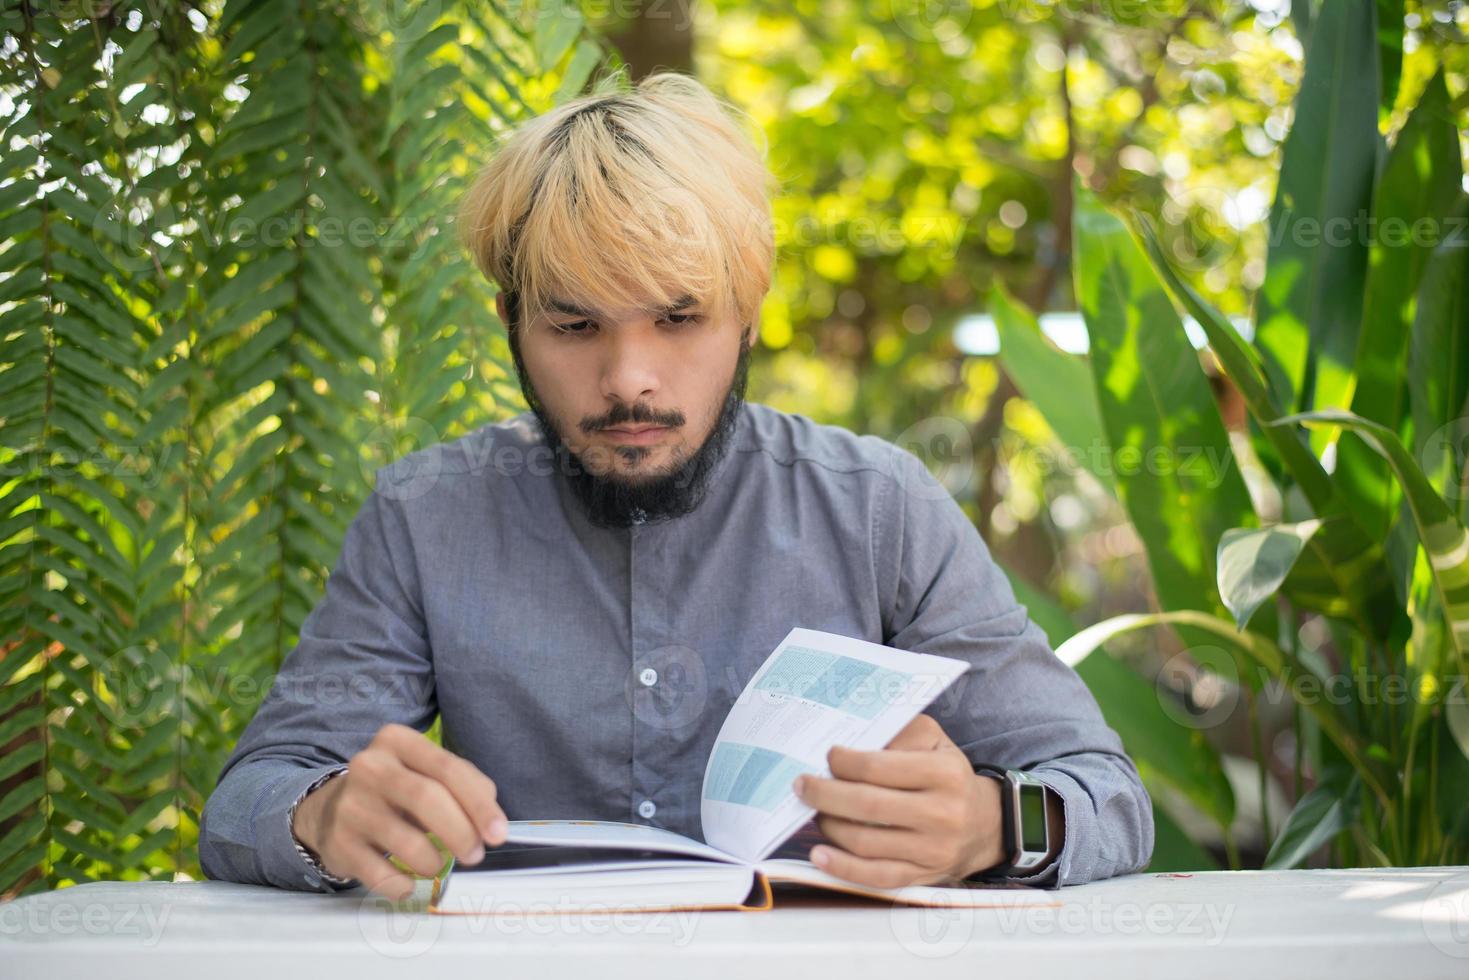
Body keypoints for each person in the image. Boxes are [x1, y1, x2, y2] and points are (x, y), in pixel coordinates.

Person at [198, 71, 1152, 901]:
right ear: (509, 321)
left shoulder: (876, 508)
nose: (629, 380)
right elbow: (249, 799)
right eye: (574, 327)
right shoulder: (424, 518)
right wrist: (323, 817)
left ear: (748, 311)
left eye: (679, 317)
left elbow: (1101, 790)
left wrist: (994, 825)